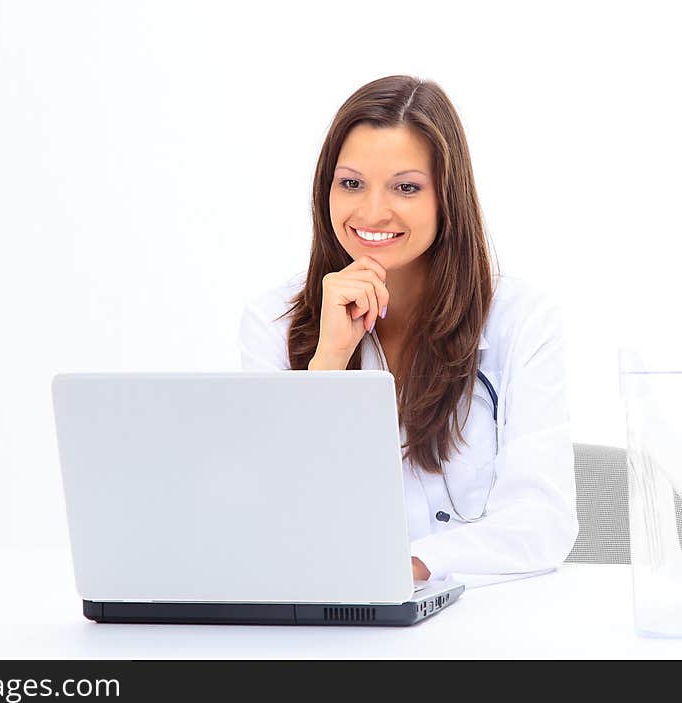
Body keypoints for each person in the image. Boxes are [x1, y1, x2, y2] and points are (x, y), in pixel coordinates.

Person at [238, 75, 579, 583]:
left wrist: (408, 569)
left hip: (485, 620)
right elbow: (268, 515)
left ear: (447, 195)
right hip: (331, 631)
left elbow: (542, 521)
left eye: (406, 187)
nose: (373, 212)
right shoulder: (274, 321)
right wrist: (326, 365)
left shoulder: (521, 319)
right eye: (351, 183)